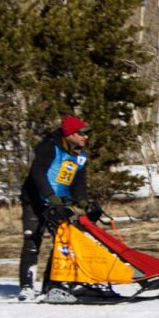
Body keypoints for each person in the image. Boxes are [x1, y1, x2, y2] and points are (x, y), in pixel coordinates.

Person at [18, 115, 105, 301]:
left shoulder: (80, 156)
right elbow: (38, 173)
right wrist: (50, 196)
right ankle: (26, 287)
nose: (85, 137)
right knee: (32, 240)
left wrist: (83, 202)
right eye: (81, 133)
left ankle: (52, 285)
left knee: (62, 243)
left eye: (86, 134)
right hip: (35, 200)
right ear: (70, 134)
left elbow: (78, 183)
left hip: (58, 203)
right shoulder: (49, 147)